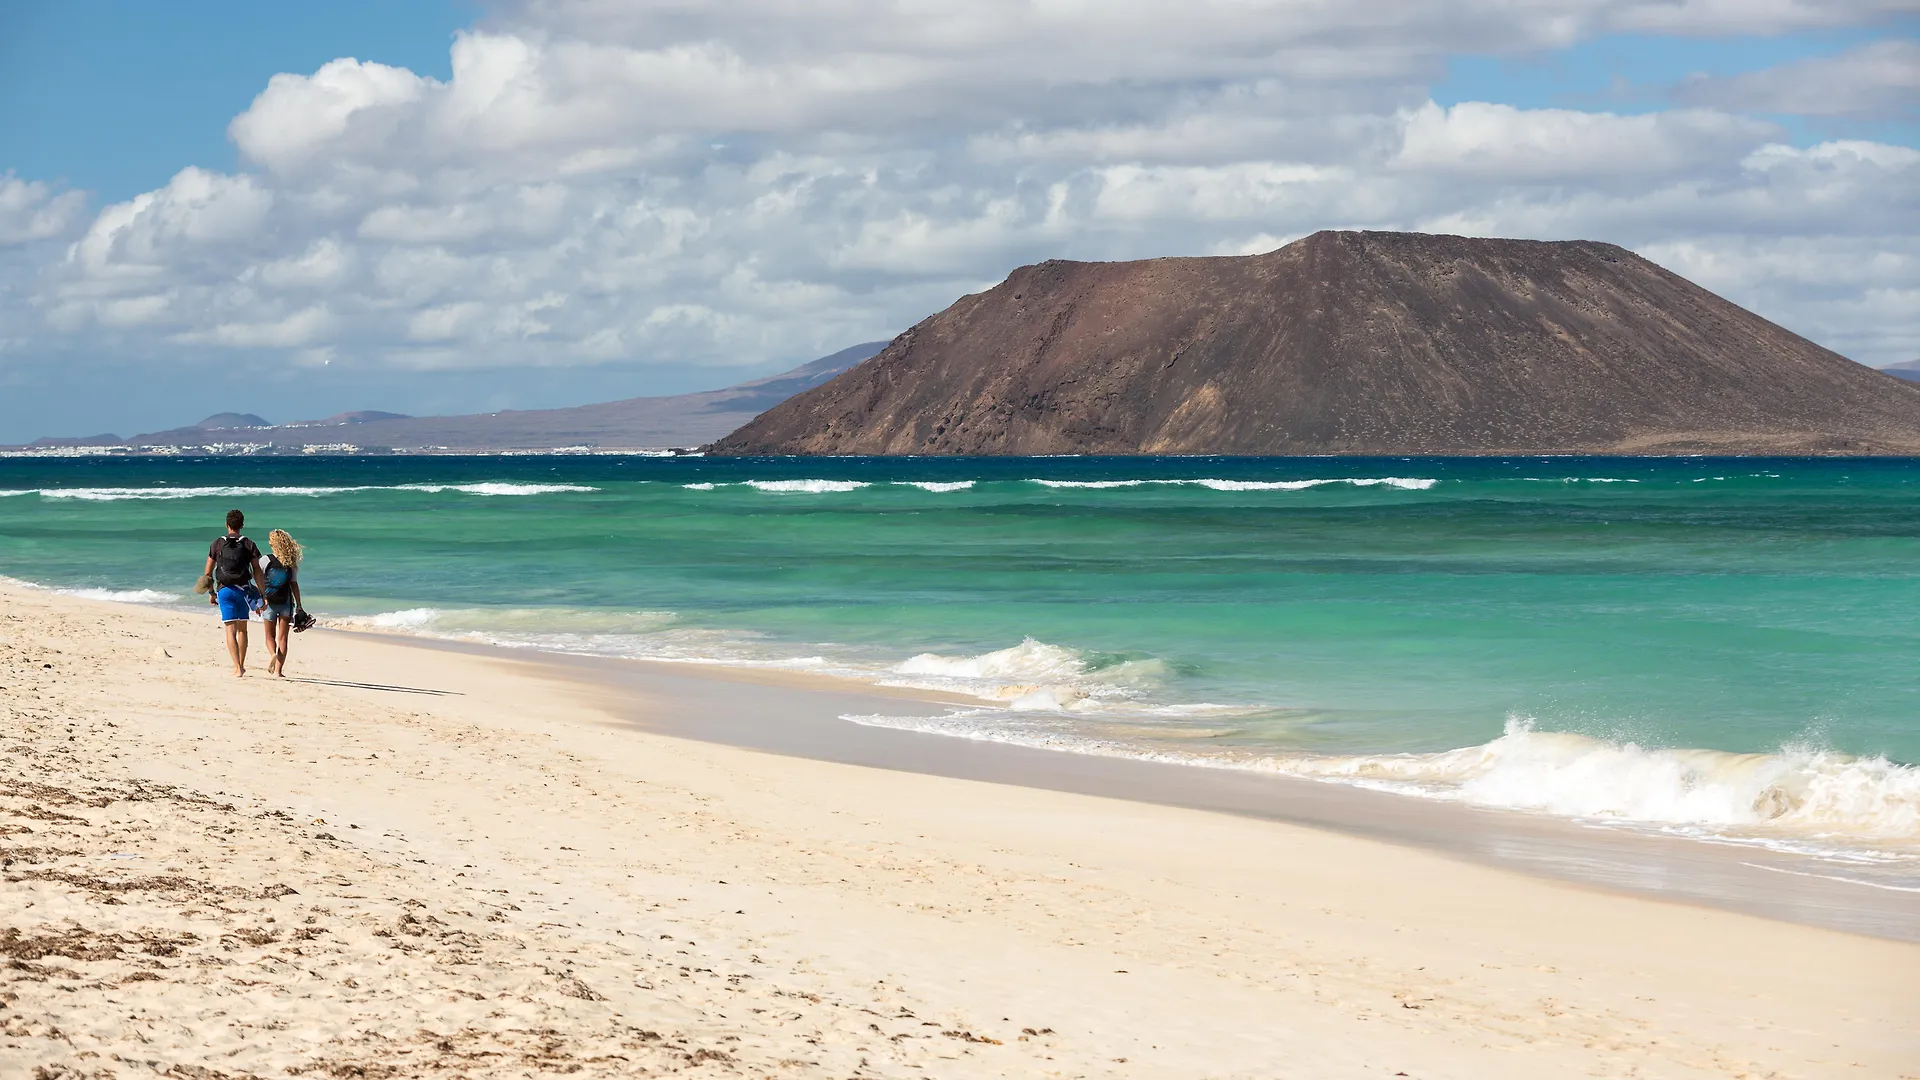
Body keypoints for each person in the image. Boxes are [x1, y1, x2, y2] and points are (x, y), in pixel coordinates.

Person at [203, 509, 267, 676]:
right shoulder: (249, 544)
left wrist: (211, 593)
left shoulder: (217, 544)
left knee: (229, 630)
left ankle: (237, 667)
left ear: (227, 524)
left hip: (224, 590)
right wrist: (262, 594)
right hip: (243, 591)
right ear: (242, 525)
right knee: (242, 630)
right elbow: (257, 571)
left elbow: (208, 573)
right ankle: (242, 665)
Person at [260, 528, 304, 677]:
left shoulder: (265, 560)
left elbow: (259, 579)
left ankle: (272, 653)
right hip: (286, 602)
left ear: (272, 544)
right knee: (283, 638)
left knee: (269, 636)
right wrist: (299, 605)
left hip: (269, 601)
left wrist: (259, 598)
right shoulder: (290, 563)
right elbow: (294, 585)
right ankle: (278, 671)